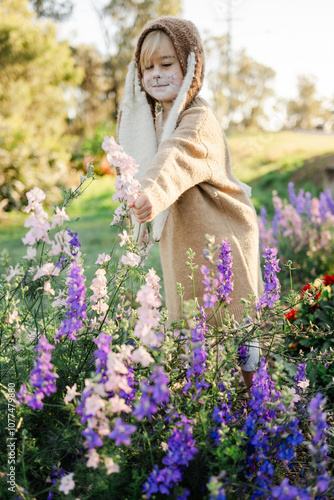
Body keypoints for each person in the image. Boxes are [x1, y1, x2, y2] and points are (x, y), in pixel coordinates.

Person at [117, 17, 263, 387]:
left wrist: (149, 191)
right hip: (183, 237)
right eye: (147, 67)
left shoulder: (197, 117)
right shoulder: (154, 119)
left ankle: (254, 402)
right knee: (189, 321)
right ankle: (203, 406)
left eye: (167, 64)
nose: (156, 74)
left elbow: (175, 157)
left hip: (220, 234)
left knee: (232, 322)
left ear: (191, 65)